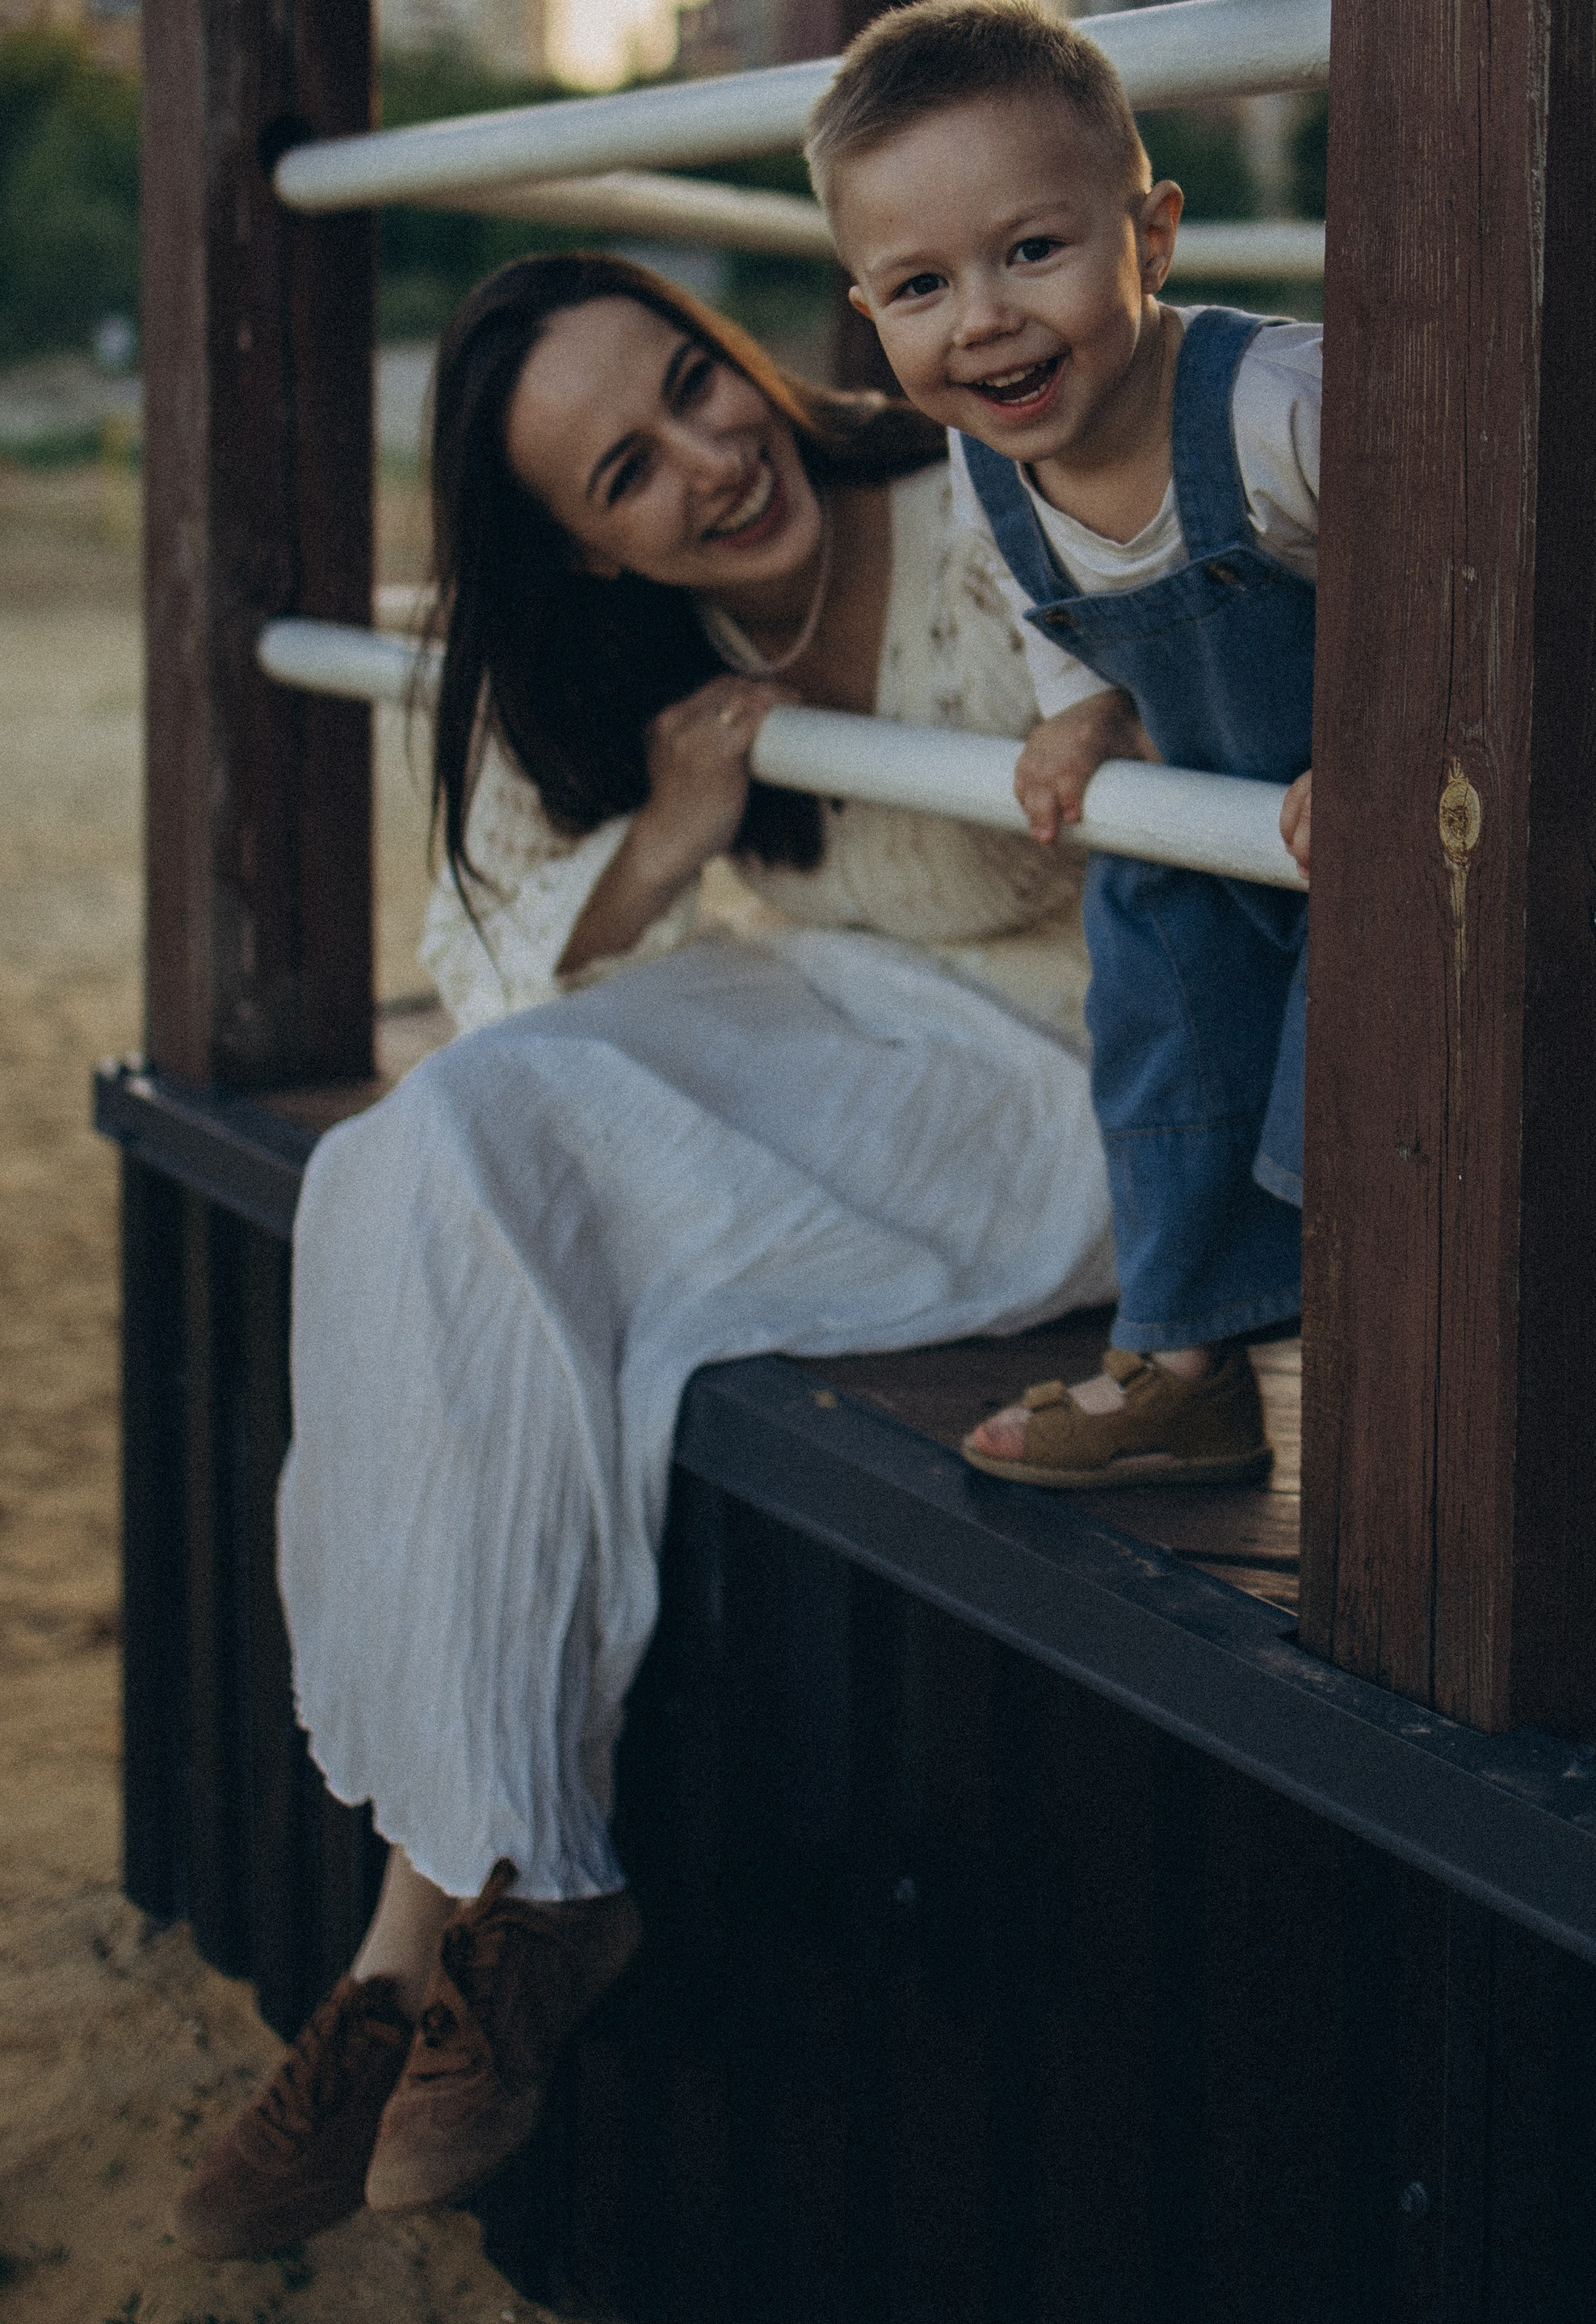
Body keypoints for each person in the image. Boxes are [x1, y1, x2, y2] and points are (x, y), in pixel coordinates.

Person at [174, 253, 1115, 2259]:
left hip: (1068, 1079)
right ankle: (488, 1916)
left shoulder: (979, 510)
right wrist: (681, 823)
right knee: (426, 1146)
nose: (708, 457)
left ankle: (423, 1945)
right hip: (837, 1009)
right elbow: (484, 965)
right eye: (627, 470)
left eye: (695, 383)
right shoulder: (641, 647)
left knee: (552, 1225)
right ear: (586, 551)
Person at [815, 0, 1317, 1498]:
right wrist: (1080, 709)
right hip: (1215, 823)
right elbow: (1061, 609)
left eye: (1031, 250)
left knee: (1368, 1055)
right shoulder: (987, 457)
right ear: (869, 313)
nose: (981, 317)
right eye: (921, 284)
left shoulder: (1277, 409)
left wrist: (1396, 736)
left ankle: (1402, 1346)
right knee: (1153, 1008)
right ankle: (1182, 1367)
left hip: (1386, 818)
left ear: (1150, 240)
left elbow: (1462, 553)